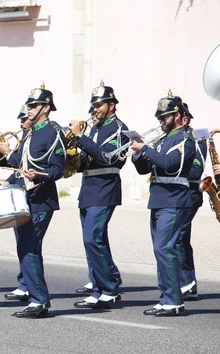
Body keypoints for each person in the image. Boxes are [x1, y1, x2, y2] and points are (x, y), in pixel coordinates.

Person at [0, 85, 66, 318]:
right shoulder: (30, 132)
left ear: (46, 108)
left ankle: (39, 300)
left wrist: (38, 175)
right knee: (25, 247)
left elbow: (58, 169)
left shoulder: (53, 131)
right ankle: (36, 297)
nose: (29, 109)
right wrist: (5, 152)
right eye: (29, 105)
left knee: (28, 247)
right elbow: (20, 163)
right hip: (24, 197)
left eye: (34, 106)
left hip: (42, 199)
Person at [131, 92, 196, 317]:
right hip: (158, 199)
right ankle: (166, 297)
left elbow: (170, 165)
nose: (161, 120)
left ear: (178, 116)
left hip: (175, 200)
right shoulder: (161, 139)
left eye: (166, 116)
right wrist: (138, 155)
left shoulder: (186, 139)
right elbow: (145, 170)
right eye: (160, 116)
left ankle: (174, 301)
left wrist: (146, 150)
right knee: (160, 251)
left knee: (165, 249)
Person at [67, 81, 127, 309]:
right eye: (93, 105)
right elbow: (87, 160)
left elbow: (106, 156)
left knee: (93, 237)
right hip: (89, 188)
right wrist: (71, 156)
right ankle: (98, 286)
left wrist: (81, 138)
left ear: (111, 105)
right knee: (92, 240)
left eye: (99, 105)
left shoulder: (118, 129)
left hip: (105, 188)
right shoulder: (95, 128)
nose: (94, 109)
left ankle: (110, 288)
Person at [175, 102, 204, 301]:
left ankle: (187, 282)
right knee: (179, 238)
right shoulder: (169, 139)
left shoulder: (196, 138)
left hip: (190, 193)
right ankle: (186, 282)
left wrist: (169, 163)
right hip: (173, 195)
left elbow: (195, 171)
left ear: (184, 118)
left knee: (179, 238)